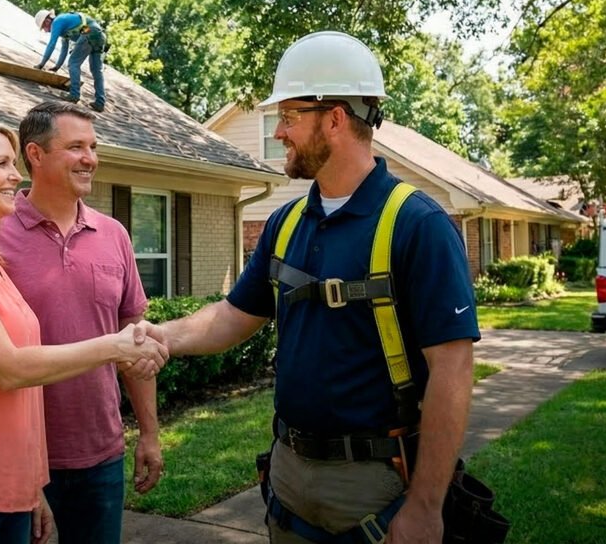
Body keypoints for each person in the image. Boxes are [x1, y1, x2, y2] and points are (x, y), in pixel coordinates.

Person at [144, 31, 480, 543]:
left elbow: (452, 372)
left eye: (290, 116)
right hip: (288, 476)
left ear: (336, 118)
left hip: (376, 486)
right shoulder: (286, 222)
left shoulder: (417, 224)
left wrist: (427, 506)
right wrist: (158, 336)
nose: (279, 132)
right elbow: (234, 316)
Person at [0, 116, 167, 544]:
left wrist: (27, 481)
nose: (14, 175)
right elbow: (8, 367)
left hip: (18, 479)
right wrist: (114, 347)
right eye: (2, 164)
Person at [33, 9, 107, 112]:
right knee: (96, 71)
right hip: (99, 35)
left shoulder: (57, 21)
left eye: (44, 27)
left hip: (88, 31)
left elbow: (52, 44)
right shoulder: (65, 26)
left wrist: (41, 64)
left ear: (47, 21)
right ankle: (100, 102)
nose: (46, 31)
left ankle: (74, 95)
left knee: (73, 63)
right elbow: (64, 49)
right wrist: (57, 67)